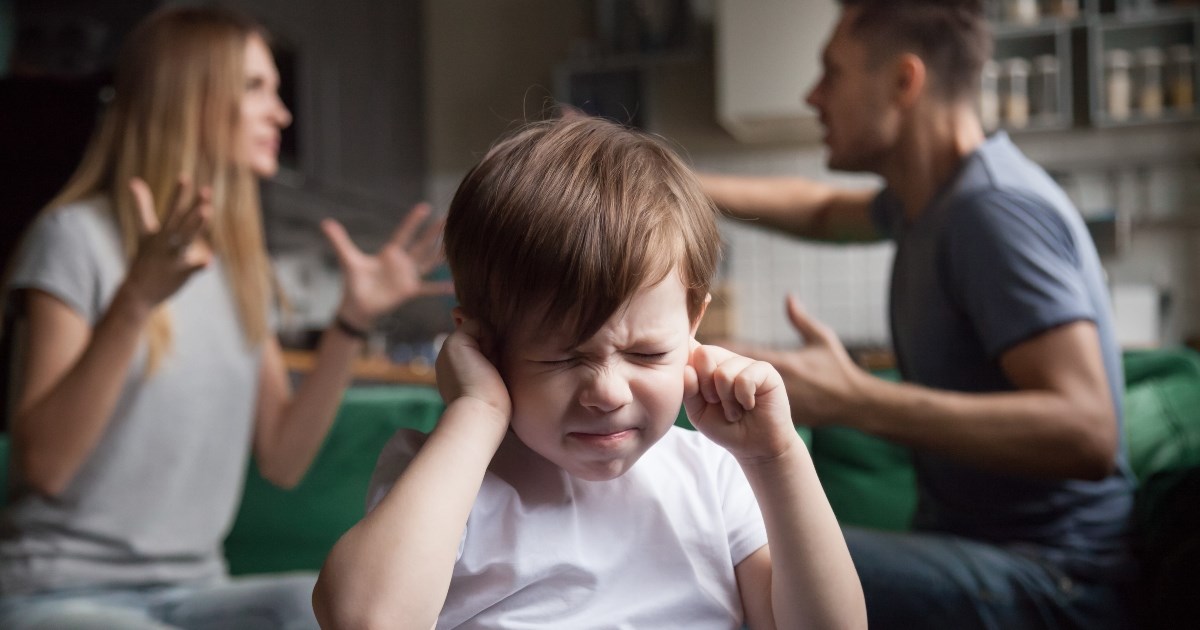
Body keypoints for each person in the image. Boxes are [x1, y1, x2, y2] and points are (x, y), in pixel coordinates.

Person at [311, 116, 867, 629]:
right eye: (561, 357)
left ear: (693, 322)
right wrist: (476, 413)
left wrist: (776, 458)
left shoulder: (715, 477)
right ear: (480, 343)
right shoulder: (443, 477)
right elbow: (365, 620)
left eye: (647, 354)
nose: (606, 392)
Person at [0, 6, 449, 629]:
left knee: (321, 609)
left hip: (195, 591)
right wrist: (135, 301)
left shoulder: (239, 265)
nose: (281, 114)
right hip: (60, 593)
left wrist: (350, 322)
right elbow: (43, 466)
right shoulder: (74, 238)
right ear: (192, 100)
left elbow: (283, 459)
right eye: (257, 88)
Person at [698, 0, 1136, 628]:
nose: (812, 96)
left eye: (833, 73)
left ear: (905, 81)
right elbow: (817, 208)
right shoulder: (927, 201)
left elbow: (1089, 431)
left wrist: (855, 399)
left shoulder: (991, 211)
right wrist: (665, 176)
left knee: (747, 560)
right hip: (991, 551)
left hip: (1055, 577)